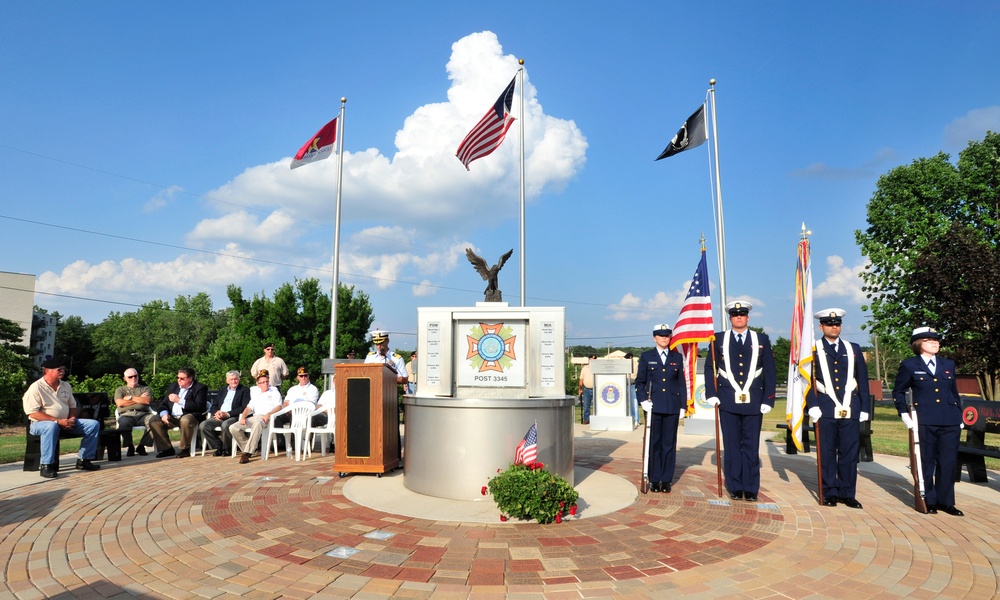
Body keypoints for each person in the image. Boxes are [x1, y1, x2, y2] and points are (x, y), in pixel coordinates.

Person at [704, 300, 777, 502]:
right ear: (730, 318)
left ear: (747, 317)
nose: (739, 317)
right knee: (732, 446)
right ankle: (735, 486)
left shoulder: (761, 338)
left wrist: (768, 399)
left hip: (754, 400)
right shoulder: (718, 339)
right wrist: (711, 393)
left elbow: (770, 370)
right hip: (727, 400)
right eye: (735, 315)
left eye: (742, 314)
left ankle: (751, 488)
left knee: (751, 446)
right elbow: (710, 368)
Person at [892, 326, 964, 517]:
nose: (935, 343)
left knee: (948, 462)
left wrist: (959, 414)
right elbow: (898, 391)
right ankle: (929, 500)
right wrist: (903, 413)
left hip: (949, 419)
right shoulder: (909, 365)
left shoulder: (947, 364)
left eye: (936, 340)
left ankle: (946, 502)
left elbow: (953, 392)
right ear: (918, 344)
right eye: (929, 340)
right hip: (925, 420)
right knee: (926, 461)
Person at [806, 308, 871, 509]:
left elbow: (862, 379)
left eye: (837, 324)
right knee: (826, 452)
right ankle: (829, 492)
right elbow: (806, 381)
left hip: (850, 407)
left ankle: (847, 493)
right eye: (829, 324)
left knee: (849, 453)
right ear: (821, 327)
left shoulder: (853, 348)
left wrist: (864, 407)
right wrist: (813, 405)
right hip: (824, 406)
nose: (834, 327)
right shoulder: (812, 350)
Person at [23, 357, 102, 478]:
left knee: (93, 425)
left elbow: (72, 406)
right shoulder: (36, 388)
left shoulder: (66, 386)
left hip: (63, 422)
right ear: (47, 370)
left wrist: (71, 419)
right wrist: (57, 421)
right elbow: (32, 413)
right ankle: (46, 465)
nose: (62, 371)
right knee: (51, 426)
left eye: (63, 369)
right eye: (59, 369)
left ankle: (84, 460)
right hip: (40, 424)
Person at [634, 324, 688, 493]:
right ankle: (654, 479)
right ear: (654, 338)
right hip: (653, 407)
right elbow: (640, 382)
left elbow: (681, 384)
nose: (664, 338)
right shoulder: (646, 356)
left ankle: (666, 480)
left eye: (667, 335)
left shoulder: (676, 357)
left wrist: (682, 406)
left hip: (672, 406)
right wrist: (642, 400)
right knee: (654, 444)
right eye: (660, 335)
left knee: (669, 444)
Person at [147, 368, 208, 458]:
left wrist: (179, 401)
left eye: (182, 378)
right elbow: (163, 404)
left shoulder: (200, 388)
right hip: (172, 417)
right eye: (178, 377)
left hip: (189, 416)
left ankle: (184, 449)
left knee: (185, 420)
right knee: (154, 420)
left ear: (190, 378)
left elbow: (199, 406)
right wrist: (163, 413)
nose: (179, 380)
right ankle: (166, 448)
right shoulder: (173, 387)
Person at [231, 369, 285, 464]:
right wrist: (243, 417)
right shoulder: (256, 394)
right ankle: (248, 448)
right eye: (263, 382)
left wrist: (269, 414)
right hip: (255, 417)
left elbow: (279, 406)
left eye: (267, 381)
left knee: (257, 424)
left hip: (267, 417)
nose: (266, 384)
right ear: (258, 384)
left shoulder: (274, 391)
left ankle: (247, 453)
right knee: (233, 427)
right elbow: (248, 408)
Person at [199, 370, 251, 456]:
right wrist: (216, 413)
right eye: (231, 379)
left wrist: (227, 414)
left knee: (226, 425)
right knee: (204, 425)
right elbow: (214, 405)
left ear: (239, 379)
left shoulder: (244, 390)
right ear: (227, 381)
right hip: (219, 416)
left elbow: (243, 407)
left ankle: (228, 448)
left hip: (233, 416)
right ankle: (219, 445)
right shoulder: (222, 390)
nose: (234, 381)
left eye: (236, 379)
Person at [113, 367, 153, 457]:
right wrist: (140, 398)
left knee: (154, 421)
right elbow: (119, 403)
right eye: (130, 377)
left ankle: (142, 446)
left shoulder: (145, 388)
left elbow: (147, 401)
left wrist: (129, 398)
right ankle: (130, 446)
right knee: (123, 423)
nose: (133, 378)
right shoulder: (120, 390)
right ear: (125, 378)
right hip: (126, 414)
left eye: (135, 376)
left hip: (143, 414)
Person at [578, 354, 596, 425]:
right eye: (591, 359)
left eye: (594, 359)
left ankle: (596, 419)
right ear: (589, 360)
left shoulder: (597, 368)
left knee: (596, 405)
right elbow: (581, 379)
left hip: (596, 389)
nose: (592, 360)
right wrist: (580, 388)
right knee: (586, 405)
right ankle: (586, 419)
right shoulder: (584, 368)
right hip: (587, 389)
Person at [625, 352, 640, 428]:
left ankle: (636, 420)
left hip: (632, 385)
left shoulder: (635, 364)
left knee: (634, 403)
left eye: (627, 358)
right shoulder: (625, 364)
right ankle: (629, 419)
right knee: (626, 404)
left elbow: (636, 375)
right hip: (624, 385)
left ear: (631, 357)